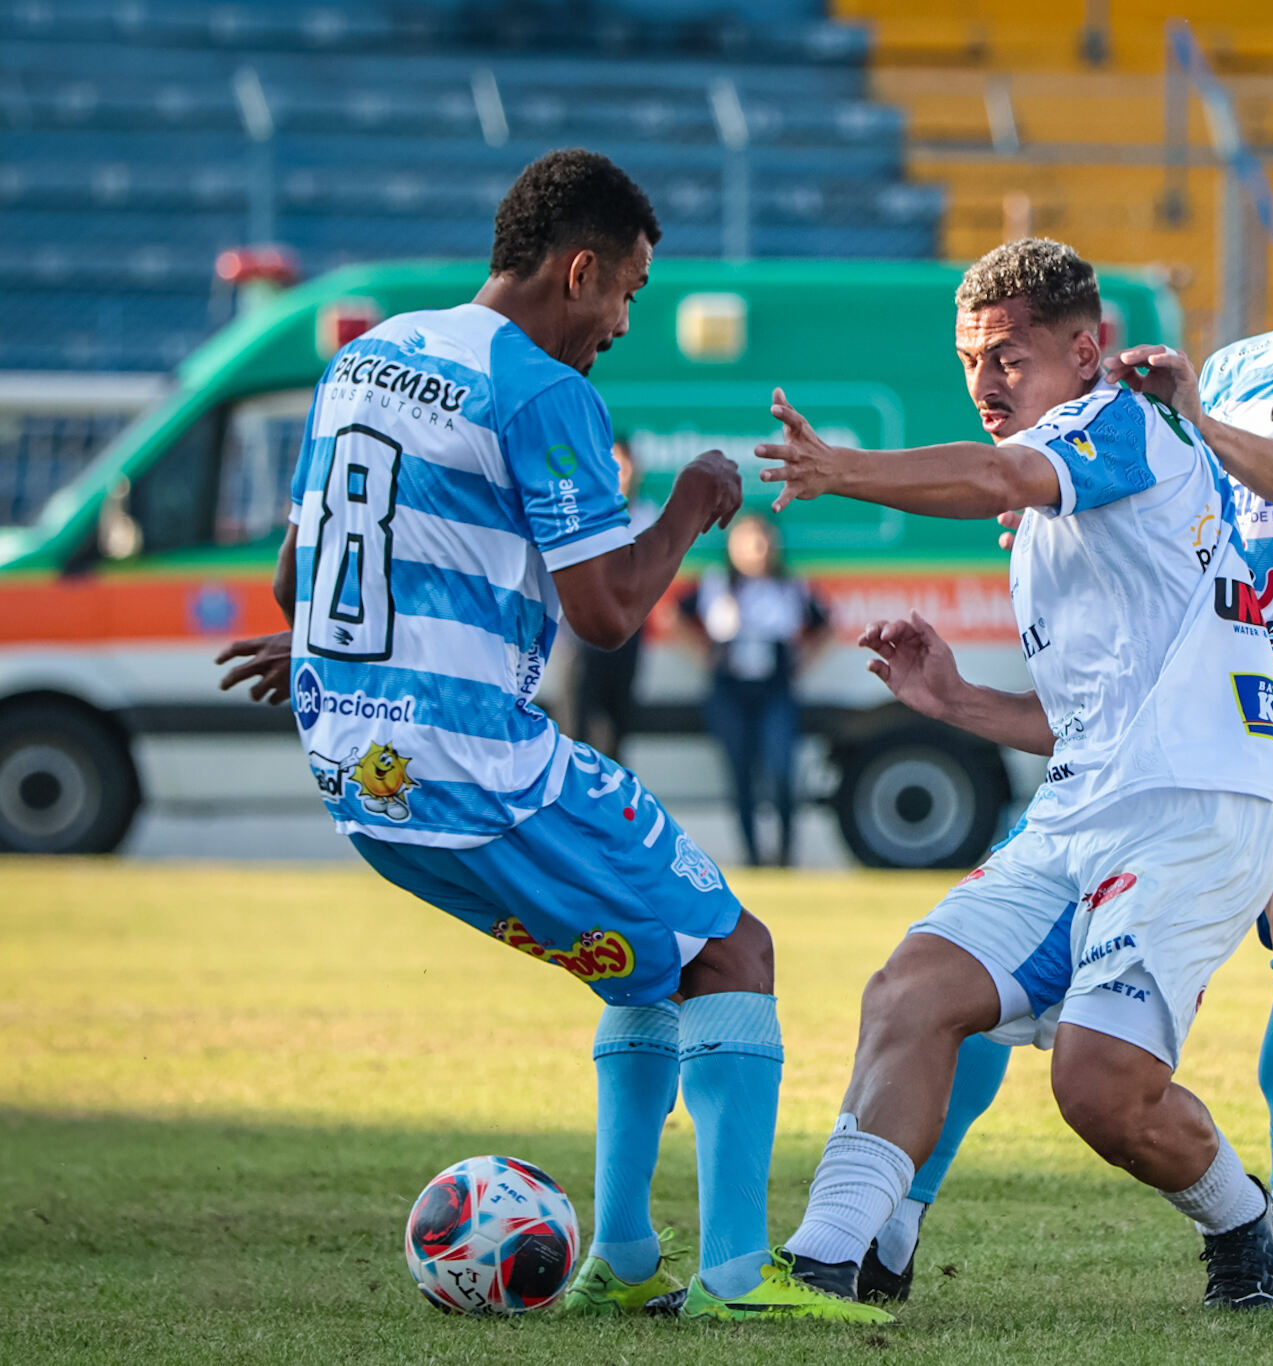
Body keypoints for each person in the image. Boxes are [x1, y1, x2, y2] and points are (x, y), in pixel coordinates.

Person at [212, 149, 876, 1322]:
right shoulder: (540, 390)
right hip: (476, 767)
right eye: (626, 290)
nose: (624, 321)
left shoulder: (366, 358)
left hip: (357, 775)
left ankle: (620, 1256)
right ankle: (732, 1280)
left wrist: (327, 644)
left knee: (640, 956)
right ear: (579, 269)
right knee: (732, 950)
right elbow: (609, 615)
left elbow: (292, 573)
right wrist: (694, 503)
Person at [874, 103, 1273, 1315]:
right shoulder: (1246, 362)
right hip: (1196, 715)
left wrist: (1196, 421)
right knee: (997, 966)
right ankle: (886, 1221)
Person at [735, 237, 1273, 1319]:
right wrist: (957, 705)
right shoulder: (1053, 511)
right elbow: (1092, 720)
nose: (985, 382)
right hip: (1084, 812)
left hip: (1194, 819)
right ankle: (824, 1264)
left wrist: (840, 467)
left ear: (1086, 352)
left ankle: (1242, 1216)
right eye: (969, 360)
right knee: (910, 991)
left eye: (1007, 357)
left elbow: (996, 472)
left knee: (1095, 1090)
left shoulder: (1119, 421)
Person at [676, 513, 831, 867]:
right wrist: (703, 654)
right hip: (730, 686)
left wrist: (801, 663)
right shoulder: (716, 584)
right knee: (740, 772)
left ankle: (786, 853)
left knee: (780, 768)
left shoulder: (790, 587)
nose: (758, 550)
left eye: (764, 542)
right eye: (748, 541)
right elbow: (677, 615)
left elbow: (824, 626)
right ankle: (753, 856)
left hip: (774, 686)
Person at [559, 438, 653, 761]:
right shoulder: (576, 511)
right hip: (582, 635)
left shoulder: (645, 515)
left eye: (623, 465)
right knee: (575, 726)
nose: (617, 472)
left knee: (617, 727)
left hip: (625, 634)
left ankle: (611, 805)